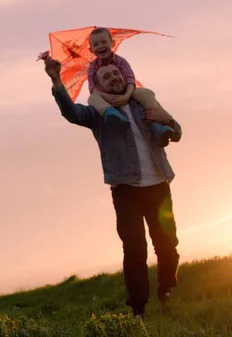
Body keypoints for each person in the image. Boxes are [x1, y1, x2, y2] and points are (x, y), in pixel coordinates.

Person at [43, 56, 182, 320]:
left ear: (124, 75)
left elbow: (176, 133)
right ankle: (138, 309)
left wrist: (170, 121)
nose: (113, 78)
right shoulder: (99, 113)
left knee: (167, 245)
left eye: (116, 74)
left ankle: (166, 289)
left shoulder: (144, 103)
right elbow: (71, 113)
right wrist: (55, 80)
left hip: (159, 186)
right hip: (125, 189)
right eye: (106, 77)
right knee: (134, 249)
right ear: (97, 85)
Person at [86, 27, 175, 147]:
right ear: (91, 50)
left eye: (103, 42)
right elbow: (93, 88)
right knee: (92, 99)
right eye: (96, 44)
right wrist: (108, 96)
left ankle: (158, 127)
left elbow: (130, 79)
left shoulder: (120, 61)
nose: (100, 46)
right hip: (106, 97)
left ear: (112, 43)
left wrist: (126, 96)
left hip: (127, 91)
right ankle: (111, 114)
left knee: (145, 93)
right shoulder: (92, 67)